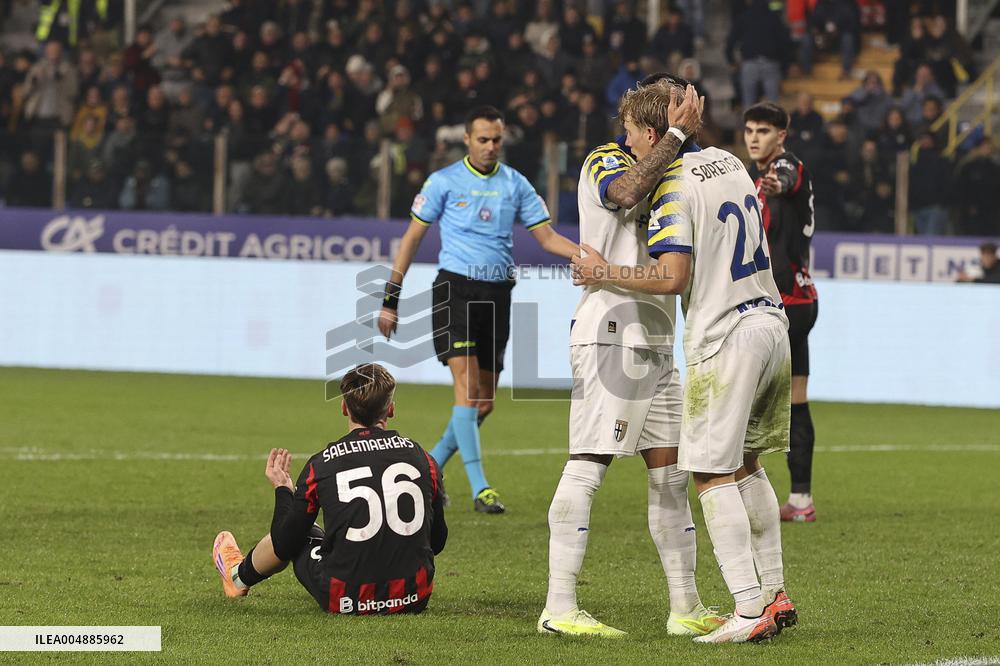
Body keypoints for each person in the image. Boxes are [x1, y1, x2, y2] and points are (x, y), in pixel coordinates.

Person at [572, 82, 797, 644]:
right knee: (748, 464)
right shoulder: (730, 162)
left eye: (630, 133)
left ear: (653, 135)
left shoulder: (672, 184)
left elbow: (673, 277)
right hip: (771, 321)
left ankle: (748, 607)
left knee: (710, 471)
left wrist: (604, 273)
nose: (625, 143)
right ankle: (775, 592)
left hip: (726, 336)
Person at [539, 79, 725, 638]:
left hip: (658, 341)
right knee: (588, 464)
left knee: (670, 476)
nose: (624, 134)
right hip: (610, 335)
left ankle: (685, 608)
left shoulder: (675, 169)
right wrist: (676, 137)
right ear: (656, 132)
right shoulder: (605, 160)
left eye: (631, 127)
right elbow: (623, 194)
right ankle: (559, 607)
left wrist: (683, 139)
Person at [377, 105, 578, 514]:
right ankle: (481, 489)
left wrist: (588, 255)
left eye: (496, 140)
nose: (490, 146)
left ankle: (427, 471)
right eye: (482, 139)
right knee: (467, 392)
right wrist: (390, 299)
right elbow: (412, 238)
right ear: (467, 139)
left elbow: (547, 238)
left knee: (483, 403)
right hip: (456, 291)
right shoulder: (443, 181)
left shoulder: (515, 184)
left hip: (497, 294)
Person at [211, 364, 447, 615]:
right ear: (391, 409)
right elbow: (437, 541)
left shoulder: (323, 464)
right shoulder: (424, 459)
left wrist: (283, 489)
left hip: (346, 598)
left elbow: (284, 543)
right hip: (413, 596)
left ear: (344, 407)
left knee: (302, 530)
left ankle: (238, 577)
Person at [743, 102, 820, 522]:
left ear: (781, 136)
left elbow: (785, 178)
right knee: (795, 401)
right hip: (800, 299)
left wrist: (772, 183)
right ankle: (801, 500)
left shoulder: (787, 167)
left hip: (782, 303)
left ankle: (738, 490)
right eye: (750, 130)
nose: (754, 138)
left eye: (764, 131)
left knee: (743, 396)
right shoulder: (754, 176)